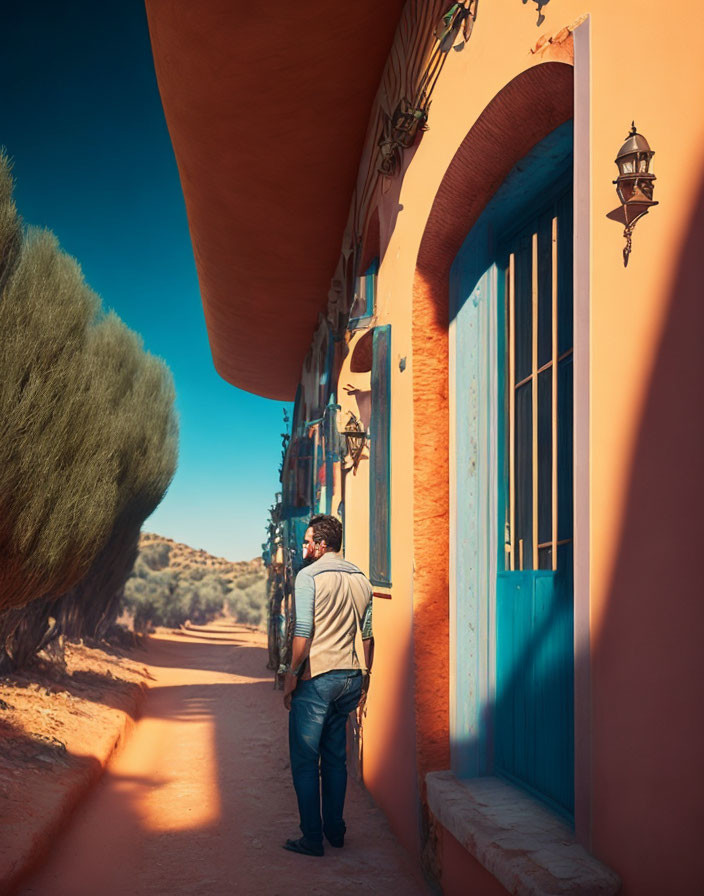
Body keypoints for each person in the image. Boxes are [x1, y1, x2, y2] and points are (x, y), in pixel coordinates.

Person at [283, 514, 374, 857]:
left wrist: (291, 677)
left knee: (306, 761)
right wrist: (367, 678)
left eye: (308, 541)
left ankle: (312, 838)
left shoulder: (308, 577)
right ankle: (336, 831)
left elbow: (302, 632)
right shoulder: (361, 578)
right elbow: (367, 636)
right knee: (335, 759)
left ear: (322, 546)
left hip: (317, 678)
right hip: (350, 677)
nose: (304, 547)